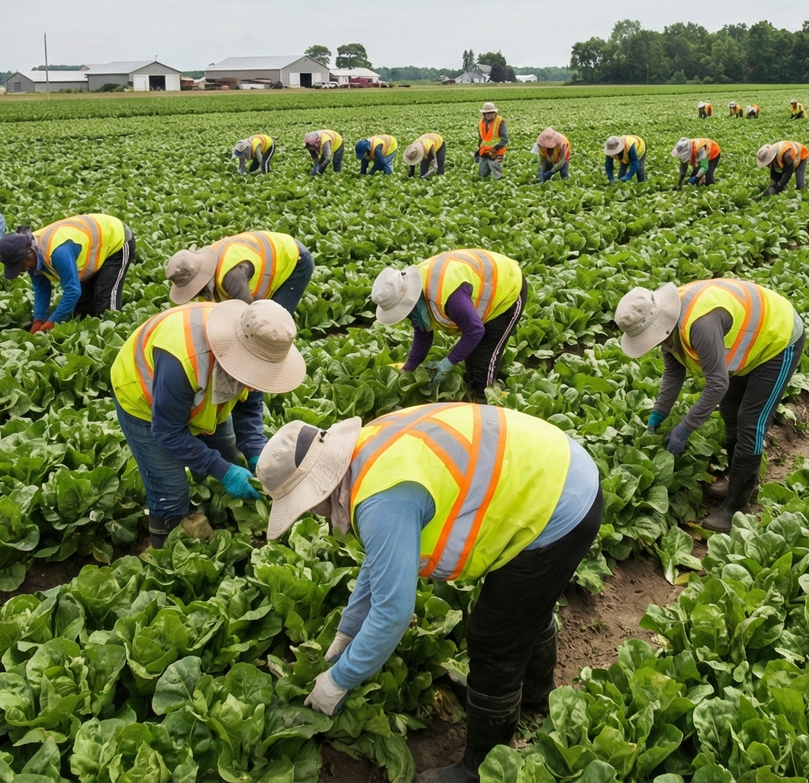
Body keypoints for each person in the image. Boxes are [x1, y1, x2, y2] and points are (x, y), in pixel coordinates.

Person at [260, 402, 602, 781]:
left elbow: (393, 614)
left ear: (318, 487)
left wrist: (338, 680)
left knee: (494, 636)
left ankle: (481, 767)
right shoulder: (369, 452)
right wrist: (347, 631)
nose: (313, 513)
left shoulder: (382, 502)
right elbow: (380, 561)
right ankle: (536, 692)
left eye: (306, 505)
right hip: (559, 466)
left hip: (559, 504)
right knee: (523, 608)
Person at [112, 299, 306, 544]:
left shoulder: (259, 344)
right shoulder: (181, 360)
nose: (255, 381)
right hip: (143, 402)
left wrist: (257, 451)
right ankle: (166, 554)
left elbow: (249, 407)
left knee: (231, 459)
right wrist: (222, 471)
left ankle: (214, 522)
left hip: (201, 399)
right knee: (170, 493)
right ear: (236, 353)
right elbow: (168, 431)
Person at [616, 279, 803, 533]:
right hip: (752, 340)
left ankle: (737, 507)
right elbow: (674, 372)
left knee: (751, 421)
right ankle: (740, 483)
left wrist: (684, 429)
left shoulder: (700, 325)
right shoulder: (667, 326)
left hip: (779, 338)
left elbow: (717, 384)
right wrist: (658, 414)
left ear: (658, 324)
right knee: (729, 411)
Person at [371, 249, 526, 399]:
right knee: (471, 357)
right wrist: (408, 368)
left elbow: (475, 331)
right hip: (479, 289)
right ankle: (490, 383)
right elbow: (423, 333)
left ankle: (485, 399)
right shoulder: (414, 290)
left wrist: (448, 363)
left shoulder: (447, 297)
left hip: (508, 286)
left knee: (484, 358)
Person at [0, 212, 136, 330]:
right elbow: (41, 288)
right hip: (92, 247)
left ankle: (117, 339)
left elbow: (73, 291)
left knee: (106, 305)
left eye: (20, 267)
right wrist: (38, 320)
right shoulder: (29, 253)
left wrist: (53, 321)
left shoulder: (58, 252)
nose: (22, 271)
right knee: (82, 311)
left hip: (116, 239)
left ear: (28, 255)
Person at [164, 229, 313, 315]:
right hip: (274, 253)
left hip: (295, 259)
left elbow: (247, 314)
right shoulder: (206, 268)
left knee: (272, 320)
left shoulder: (231, 275)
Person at [475, 102, 508, 180]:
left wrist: (496, 148)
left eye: (491, 113)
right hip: (484, 151)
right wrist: (479, 149)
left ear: (495, 113)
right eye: (486, 113)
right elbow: (481, 138)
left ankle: (498, 185)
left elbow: (505, 139)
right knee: (482, 172)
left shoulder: (500, 122)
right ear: (483, 114)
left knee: (496, 171)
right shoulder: (481, 123)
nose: (489, 115)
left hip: (497, 152)